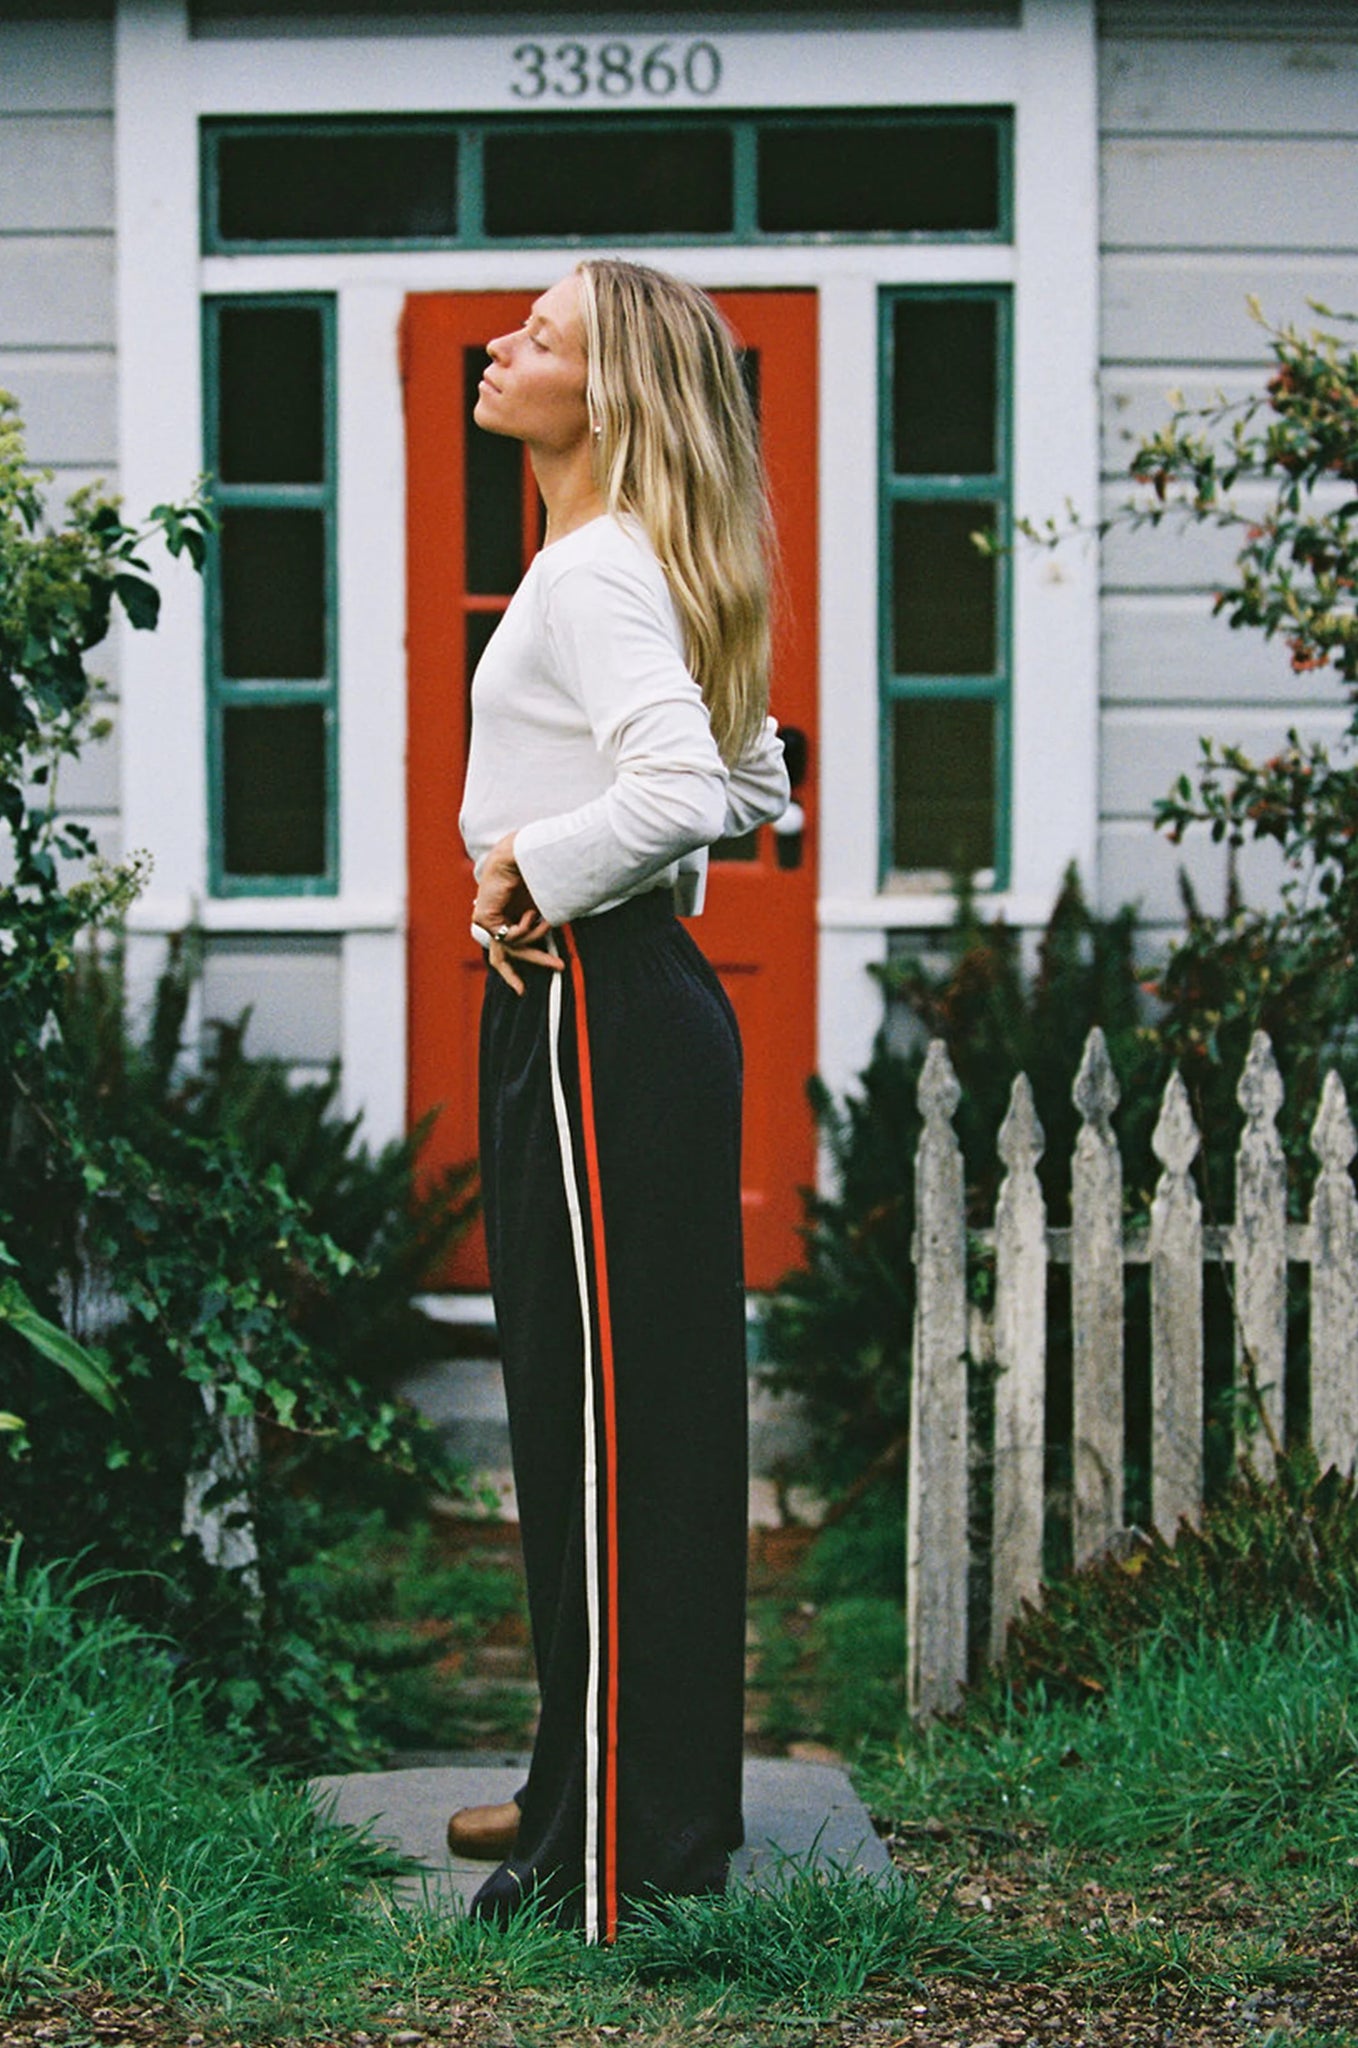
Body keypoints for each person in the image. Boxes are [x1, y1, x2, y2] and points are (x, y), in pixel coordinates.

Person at [449, 258, 790, 1943]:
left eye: (539, 335)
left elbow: (685, 788)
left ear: (606, 396)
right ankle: (595, 1782)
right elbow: (752, 772)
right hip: (613, 999)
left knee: (602, 1433)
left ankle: (616, 1854)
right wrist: (573, 877)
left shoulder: (595, 571)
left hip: (592, 1008)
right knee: (612, 1418)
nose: (496, 344)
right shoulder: (616, 557)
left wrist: (530, 865)